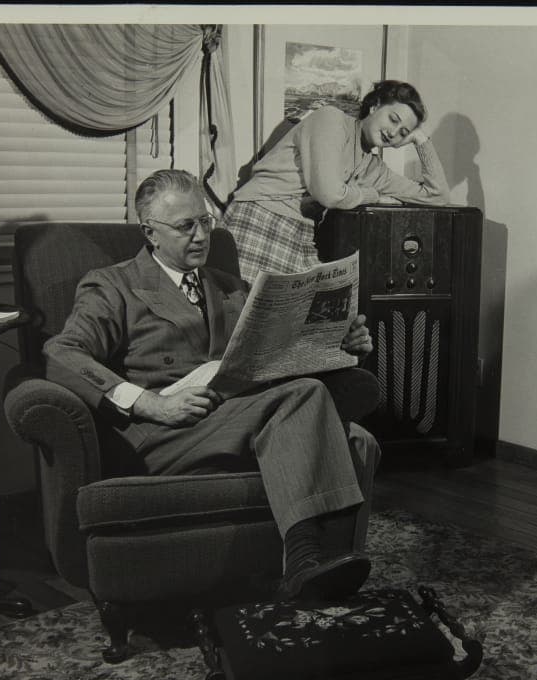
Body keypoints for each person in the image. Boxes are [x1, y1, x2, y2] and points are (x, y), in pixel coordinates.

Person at [44, 169, 381, 601]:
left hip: (235, 414)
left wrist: (342, 344)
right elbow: (62, 353)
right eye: (186, 226)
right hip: (166, 431)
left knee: (355, 435)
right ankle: (302, 559)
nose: (201, 235)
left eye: (205, 221)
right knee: (309, 397)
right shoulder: (113, 284)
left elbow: (279, 356)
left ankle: (331, 564)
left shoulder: (230, 287)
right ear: (150, 232)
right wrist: (149, 404)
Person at [223, 79, 451, 285]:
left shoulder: (374, 169)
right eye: (393, 119)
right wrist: (374, 196)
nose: (393, 133)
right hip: (260, 218)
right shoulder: (330, 119)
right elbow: (329, 194)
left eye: (403, 133)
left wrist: (421, 140)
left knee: (307, 321)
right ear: (375, 106)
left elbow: (437, 196)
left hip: (300, 232)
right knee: (248, 319)